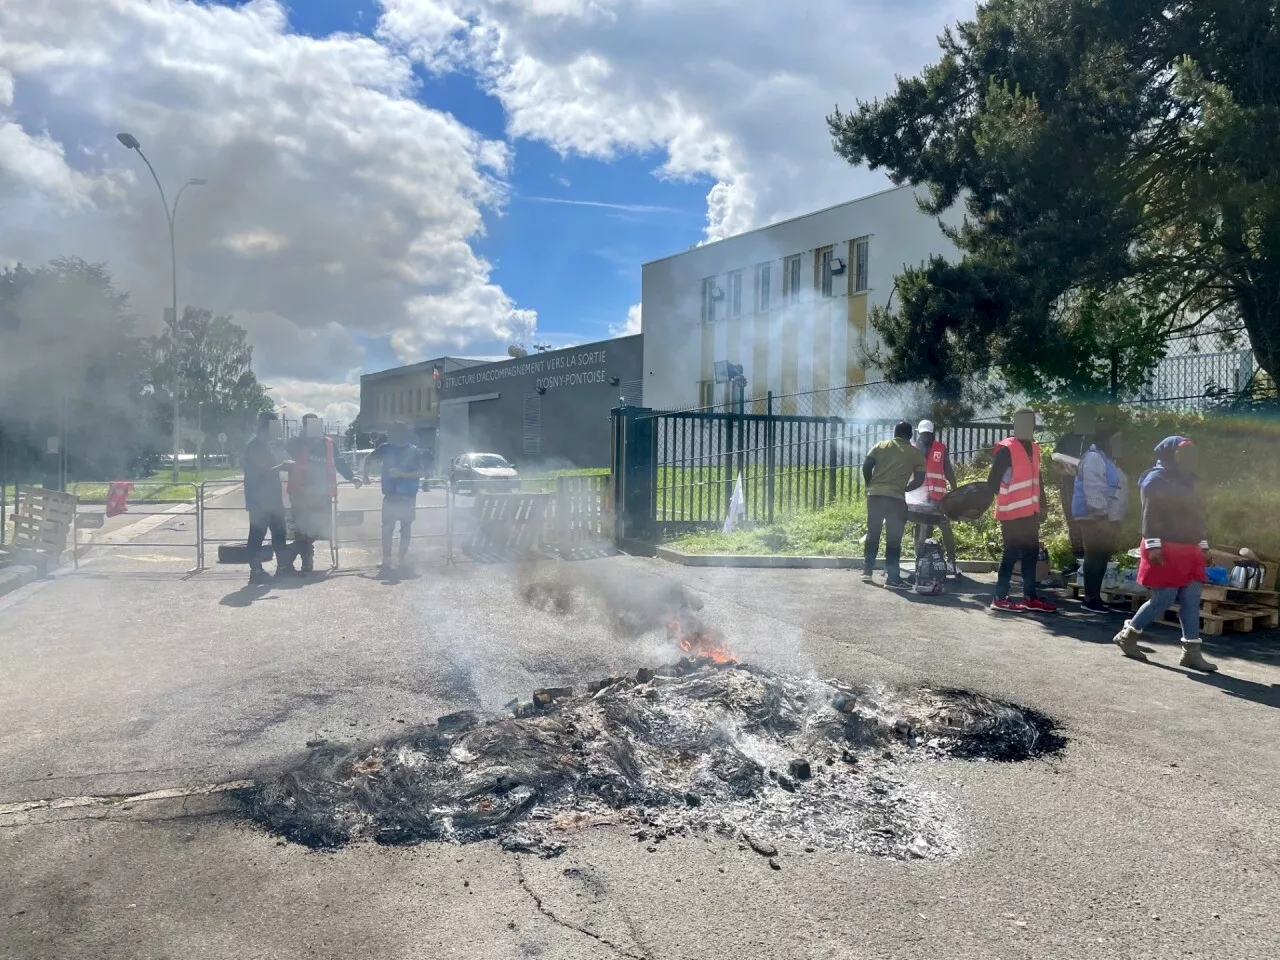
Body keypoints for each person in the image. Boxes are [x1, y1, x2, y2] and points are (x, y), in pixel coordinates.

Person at [1111, 437, 1218, 672]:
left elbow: (1197, 517)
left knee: (1191, 599)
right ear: (1170, 454)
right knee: (1164, 599)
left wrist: (1203, 544)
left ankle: (1191, 652)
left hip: (1189, 549)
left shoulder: (1189, 481)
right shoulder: (1155, 479)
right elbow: (1150, 515)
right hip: (1164, 547)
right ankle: (1127, 636)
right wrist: (1153, 545)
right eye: (1183, 453)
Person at [987, 408, 1056, 613]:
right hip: (1011, 512)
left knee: (1030, 553)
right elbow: (992, 481)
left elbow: (1038, 479)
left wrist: (1042, 506)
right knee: (1011, 552)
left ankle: (1029, 597)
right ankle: (999, 597)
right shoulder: (1006, 449)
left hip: (1030, 512)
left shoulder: (1034, 448)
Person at [286, 414, 361, 574]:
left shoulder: (328, 444)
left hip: (322, 493)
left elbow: (339, 461)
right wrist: (306, 439)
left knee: (320, 528)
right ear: (304, 428)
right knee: (301, 528)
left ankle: (290, 554)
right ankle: (307, 561)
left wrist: (351, 476)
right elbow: (289, 450)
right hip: (300, 493)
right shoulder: (296, 443)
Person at [861, 420, 926, 589]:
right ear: (911, 435)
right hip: (895, 499)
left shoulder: (880, 445)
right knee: (894, 538)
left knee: (872, 533)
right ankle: (892, 578)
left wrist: (870, 484)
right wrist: (905, 488)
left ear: (894, 433)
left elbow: (867, 465)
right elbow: (920, 479)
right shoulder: (915, 453)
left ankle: (867, 571)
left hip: (874, 496)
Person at [1073, 427, 1130, 612]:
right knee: (1095, 556)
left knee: (1102, 556)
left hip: (1105, 518)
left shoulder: (1107, 460)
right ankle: (1090, 598)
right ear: (1104, 441)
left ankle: (1095, 596)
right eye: (1116, 441)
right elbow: (1094, 487)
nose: (1119, 445)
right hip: (1095, 518)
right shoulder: (1094, 458)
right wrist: (1101, 515)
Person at [362, 421, 424, 572]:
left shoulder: (413, 451)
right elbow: (368, 459)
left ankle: (397, 559)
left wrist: (402, 474)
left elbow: (421, 473)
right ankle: (390, 559)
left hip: (405, 496)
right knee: (393, 528)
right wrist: (365, 476)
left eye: (392, 432)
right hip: (394, 495)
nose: (389, 435)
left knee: (399, 527)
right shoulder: (387, 448)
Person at [242, 412, 293, 584]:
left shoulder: (264, 445)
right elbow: (259, 473)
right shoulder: (255, 446)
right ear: (267, 427)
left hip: (271, 499)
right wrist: (282, 466)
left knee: (279, 533)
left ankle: (283, 568)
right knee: (257, 535)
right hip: (259, 500)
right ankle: (256, 572)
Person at [911, 419, 959, 576]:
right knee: (921, 527)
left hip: (938, 497)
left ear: (932, 433)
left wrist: (955, 490)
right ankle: (921, 560)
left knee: (945, 526)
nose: (925, 436)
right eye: (923, 433)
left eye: (927, 433)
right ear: (919, 433)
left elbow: (948, 469)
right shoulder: (913, 448)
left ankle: (951, 561)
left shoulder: (940, 448)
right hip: (919, 496)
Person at [1054, 406, 1096, 576]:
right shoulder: (1067, 439)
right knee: (1073, 521)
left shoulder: (1098, 439)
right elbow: (1055, 463)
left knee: (1092, 521)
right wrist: (1072, 468)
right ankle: (1078, 559)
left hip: (1093, 486)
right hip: (1069, 484)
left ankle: (1094, 559)